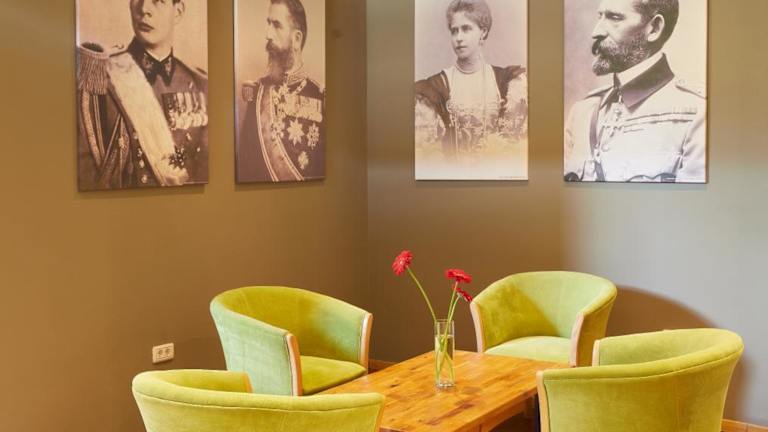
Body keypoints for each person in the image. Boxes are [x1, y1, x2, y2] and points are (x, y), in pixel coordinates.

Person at [564, 0, 706, 183]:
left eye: (614, 17)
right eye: (600, 16)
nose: (596, 31)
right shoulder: (583, 113)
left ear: (654, 28)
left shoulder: (698, 114)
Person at [77, 0, 208, 190]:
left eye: (158, 1)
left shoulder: (198, 83)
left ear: (178, 12)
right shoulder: (101, 79)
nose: (144, 9)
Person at [414, 0, 527, 178]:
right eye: (454, 31)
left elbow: (514, 149)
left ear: (483, 32)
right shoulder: (437, 86)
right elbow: (427, 154)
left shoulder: (505, 83)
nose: (458, 38)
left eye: (466, 29)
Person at [237, 0, 325, 182]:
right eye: (268, 24)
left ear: (297, 39)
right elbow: (246, 168)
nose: (268, 34)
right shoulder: (257, 94)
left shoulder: (320, 96)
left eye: (276, 25)